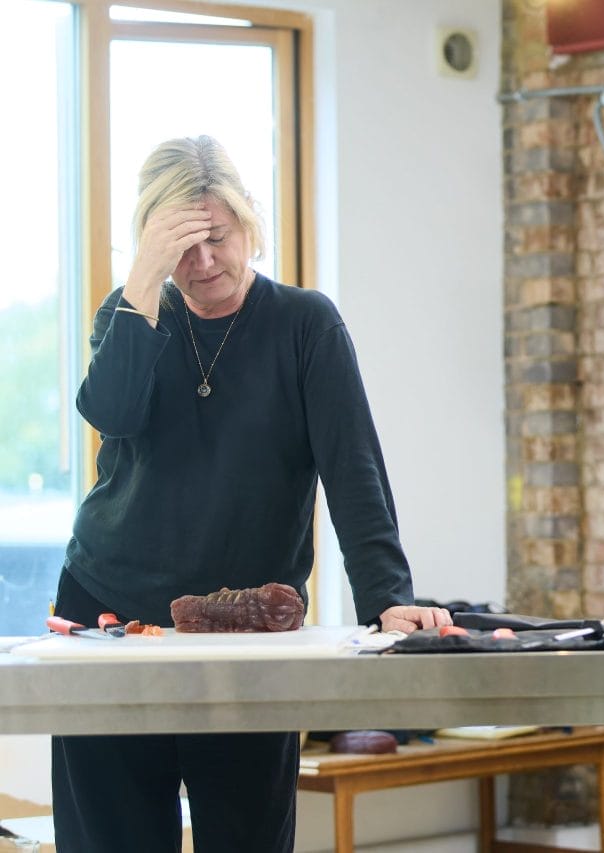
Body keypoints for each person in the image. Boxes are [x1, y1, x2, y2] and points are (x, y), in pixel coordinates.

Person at [51, 135, 452, 851]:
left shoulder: (306, 325)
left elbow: (353, 471)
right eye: (181, 247)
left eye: (217, 237)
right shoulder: (130, 314)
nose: (204, 262)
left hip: (249, 629)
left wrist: (386, 599)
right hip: (112, 612)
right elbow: (110, 412)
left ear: (248, 223)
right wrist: (142, 280)